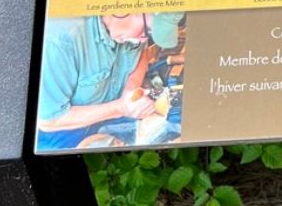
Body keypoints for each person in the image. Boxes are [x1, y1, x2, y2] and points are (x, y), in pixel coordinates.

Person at [36, 12, 183, 150]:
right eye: (147, 32)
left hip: (111, 116)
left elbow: (142, 54)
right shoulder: (60, 41)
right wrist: (120, 108)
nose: (144, 40)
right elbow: (49, 121)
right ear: (125, 8)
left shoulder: (135, 33)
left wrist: (131, 89)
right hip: (61, 132)